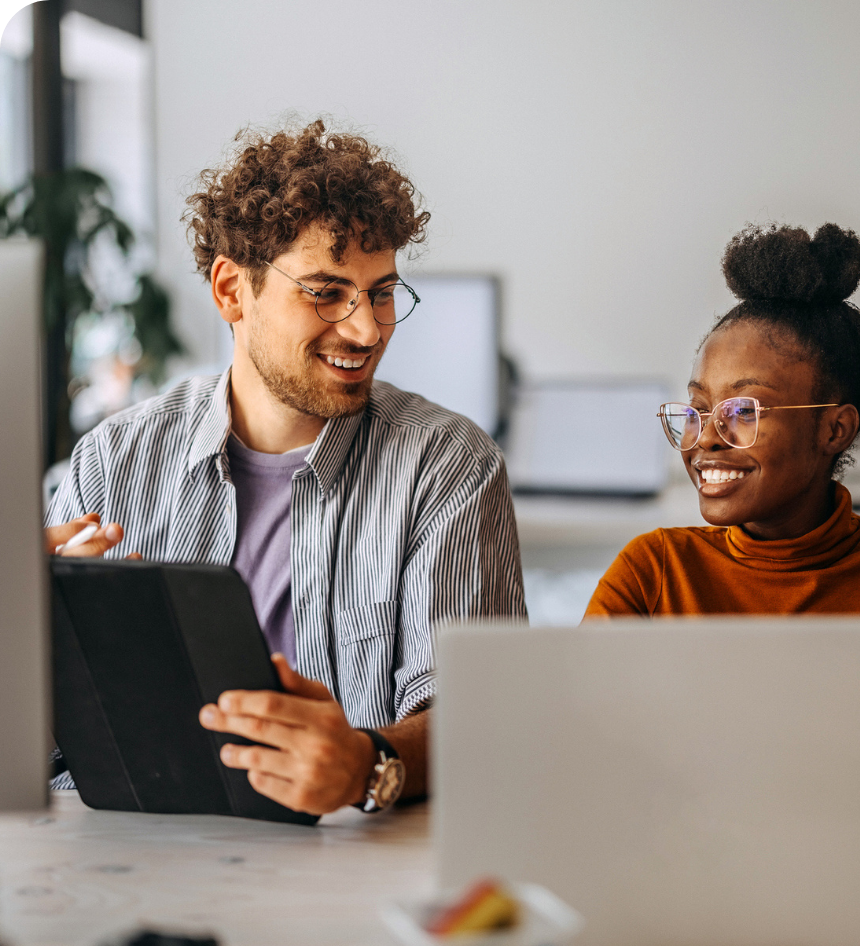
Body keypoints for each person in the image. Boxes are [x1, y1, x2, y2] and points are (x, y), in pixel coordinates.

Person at [46, 121, 526, 816]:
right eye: (327, 292)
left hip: (341, 865)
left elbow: (483, 720)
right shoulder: (115, 459)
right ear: (231, 292)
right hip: (121, 846)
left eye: (382, 292)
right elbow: (46, 741)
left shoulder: (446, 465)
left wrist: (368, 763)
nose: (366, 330)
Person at [586, 222, 860, 820]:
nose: (706, 439)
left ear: (835, 428)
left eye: (743, 411)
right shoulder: (653, 571)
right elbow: (575, 744)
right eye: (699, 409)